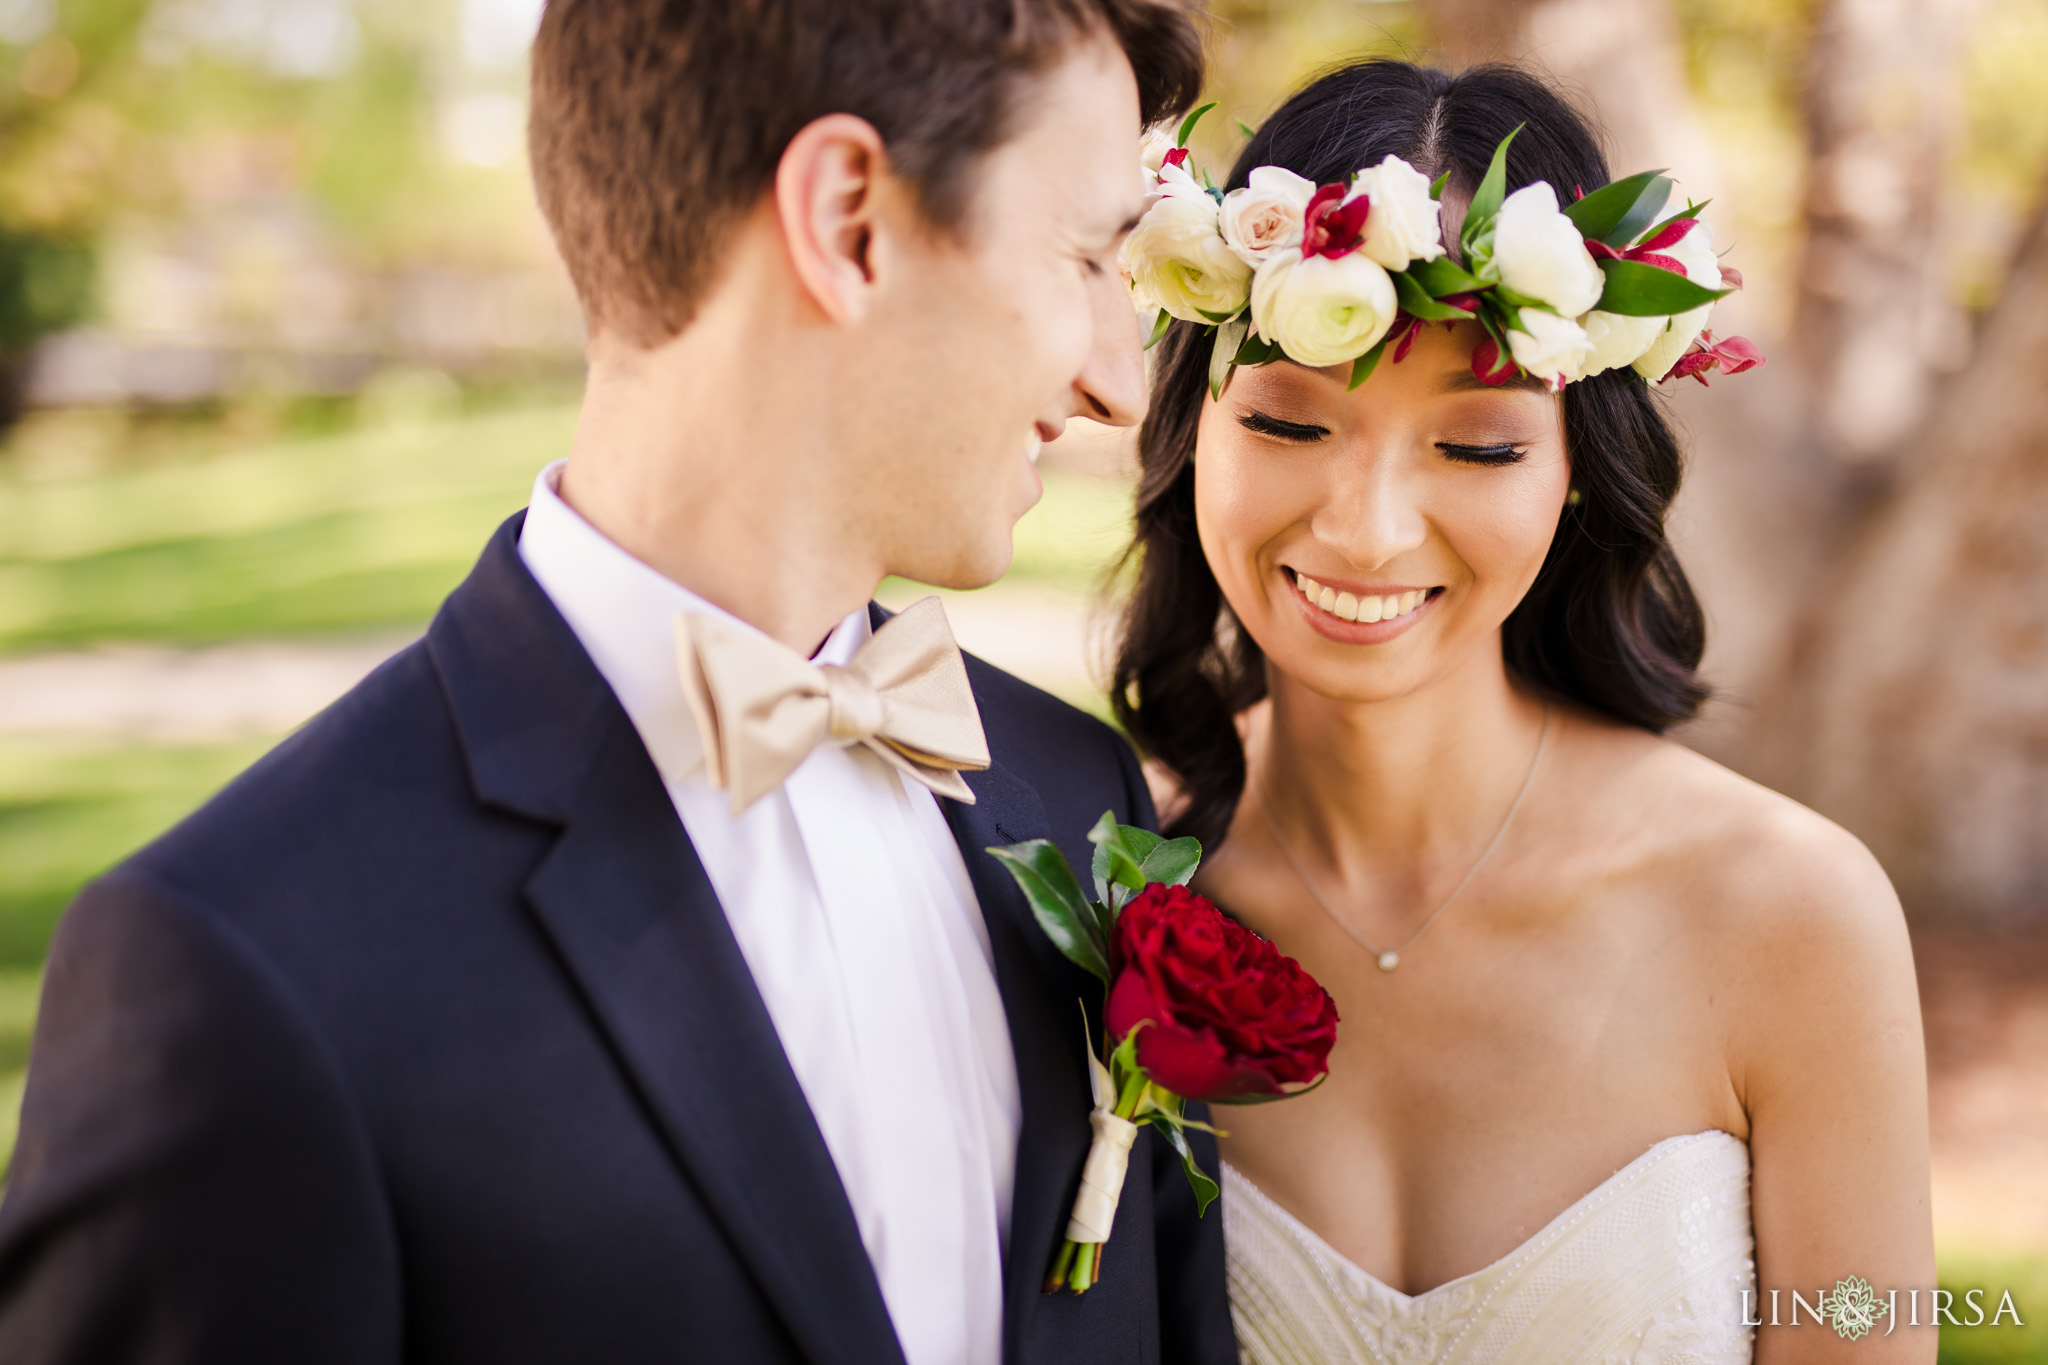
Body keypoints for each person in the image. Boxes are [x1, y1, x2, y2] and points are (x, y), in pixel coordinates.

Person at [0, 3, 1240, 1362]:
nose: (1123, 383)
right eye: (1083, 259)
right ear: (847, 221)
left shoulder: (1076, 799)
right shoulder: (241, 973)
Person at [1114, 60, 1936, 1364]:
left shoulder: (1790, 914)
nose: (1368, 529)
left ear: (1571, 475)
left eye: (1478, 443)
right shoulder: (1102, 894)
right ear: (1192, 427)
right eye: (1288, 422)